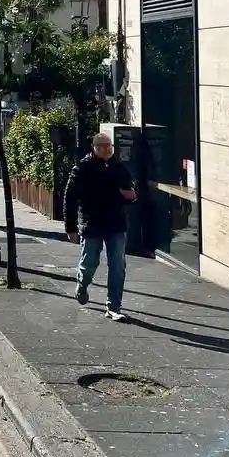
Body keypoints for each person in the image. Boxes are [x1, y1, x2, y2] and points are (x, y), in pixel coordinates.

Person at [64, 132, 138, 322]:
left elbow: (131, 190)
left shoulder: (119, 167)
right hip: (92, 223)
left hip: (116, 223)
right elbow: (70, 198)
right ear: (94, 148)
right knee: (89, 261)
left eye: (109, 146)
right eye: (102, 146)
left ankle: (113, 306)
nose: (106, 149)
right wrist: (70, 227)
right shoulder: (83, 168)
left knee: (117, 265)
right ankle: (82, 283)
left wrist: (131, 195)